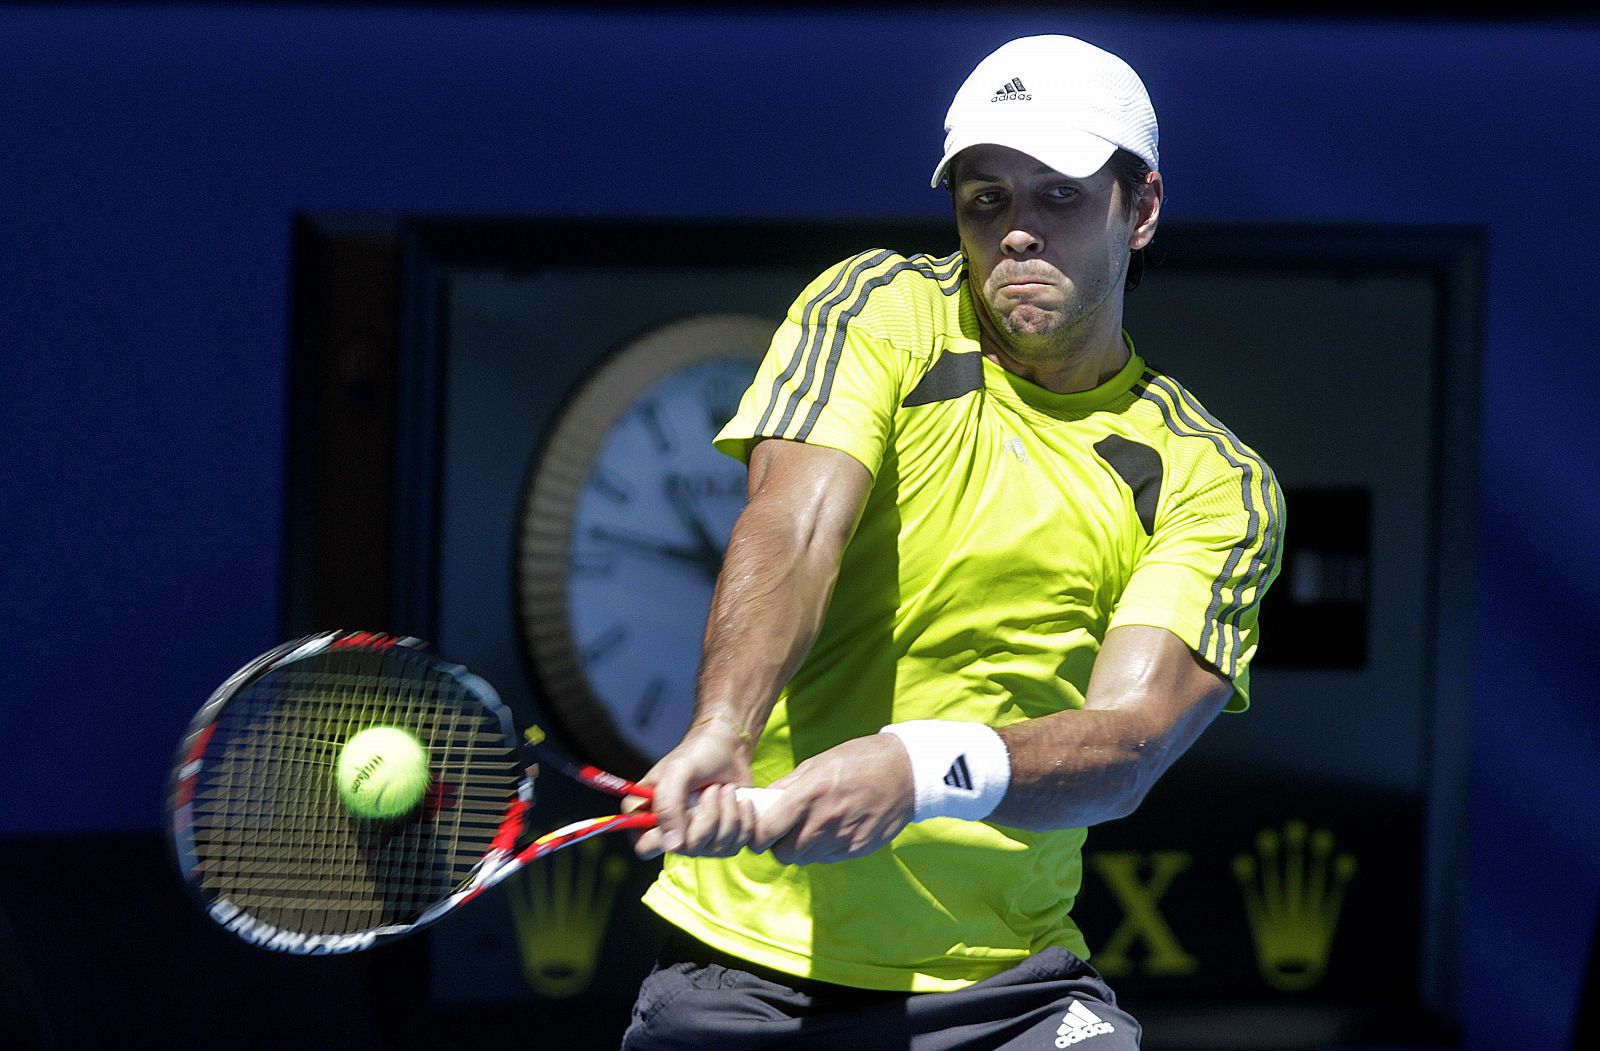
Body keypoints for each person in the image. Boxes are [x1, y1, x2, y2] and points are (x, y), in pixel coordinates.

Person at [621, 34, 1284, 1051]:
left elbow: (1131, 741)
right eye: (986, 198)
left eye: (1057, 194)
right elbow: (794, 525)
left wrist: (920, 768)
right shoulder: (879, 309)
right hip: (744, 968)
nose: (1017, 231)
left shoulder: (1211, 481)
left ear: (1140, 208)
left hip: (1005, 988)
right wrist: (724, 727)